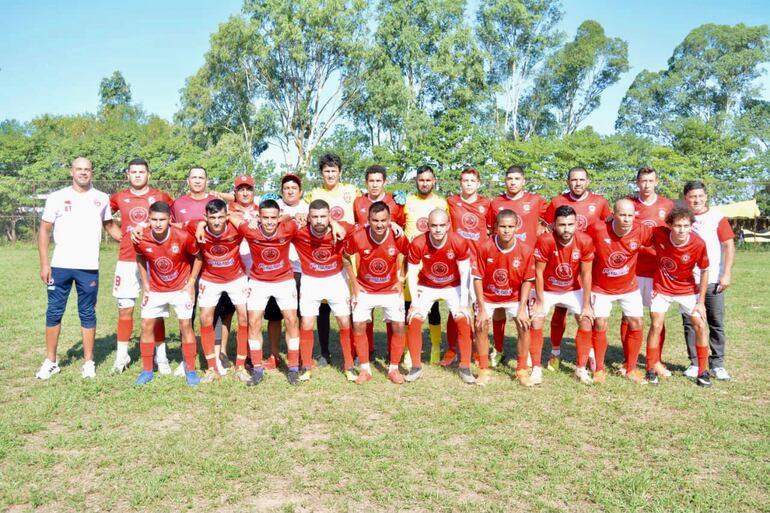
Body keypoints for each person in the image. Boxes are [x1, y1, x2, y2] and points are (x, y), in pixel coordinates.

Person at [36, 157, 121, 380]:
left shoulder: (101, 198)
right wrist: (45, 263)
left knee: (87, 313)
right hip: (60, 266)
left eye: (87, 170)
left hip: (88, 267)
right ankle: (51, 361)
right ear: (71, 171)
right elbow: (44, 231)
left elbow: (111, 227)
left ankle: (89, 363)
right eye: (79, 169)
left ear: (92, 172)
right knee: (54, 312)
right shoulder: (57, 197)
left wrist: (135, 238)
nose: (83, 173)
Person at [109, 158, 174, 374]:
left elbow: (173, 220)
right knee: (125, 309)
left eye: (141, 172)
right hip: (127, 260)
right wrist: (117, 234)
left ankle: (161, 357)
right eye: (133, 172)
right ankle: (122, 356)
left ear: (148, 174)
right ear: (128, 175)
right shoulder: (119, 197)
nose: (137, 175)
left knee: (155, 311)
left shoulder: (160, 196)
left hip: (154, 260)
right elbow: (105, 217)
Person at [543, 166, 611, 371]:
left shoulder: (600, 202)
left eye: (582, 180)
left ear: (588, 182)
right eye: (574, 180)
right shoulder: (557, 202)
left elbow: (607, 228)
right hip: (562, 264)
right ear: (568, 182)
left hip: (588, 263)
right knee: (559, 311)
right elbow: (547, 228)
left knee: (584, 313)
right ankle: (555, 352)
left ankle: (588, 353)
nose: (578, 183)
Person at [231, 199, 302, 385]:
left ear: (279, 218)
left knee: (292, 320)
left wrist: (294, 214)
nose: (269, 222)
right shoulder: (249, 229)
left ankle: (293, 368)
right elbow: (231, 216)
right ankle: (257, 368)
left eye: (273, 218)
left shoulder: (289, 228)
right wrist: (200, 225)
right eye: (265, 218)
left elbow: (306, 218)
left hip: (284, 280)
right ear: (258, 217)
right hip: (258, 281)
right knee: (253, 322)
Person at [133, 201, 202, 386]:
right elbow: (139, 255)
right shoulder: (142, 237)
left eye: (162, 220)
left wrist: (192, 283)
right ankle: (147, 371)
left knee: (186, 325)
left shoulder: (183, 236)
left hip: (180, 287)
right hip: (155, 289)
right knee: (146, 324)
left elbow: (198, 257)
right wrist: (145, 280)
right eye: (154, 219)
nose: (158, 224)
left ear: (169, 219)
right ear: (148, 219)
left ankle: (191, 370)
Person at [586, 198, 653, 384]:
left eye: (630, 215)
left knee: (637, 322)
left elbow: (661, 238)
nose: (626, 219)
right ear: (613, 215)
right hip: (601, 287)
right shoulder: (597, 229)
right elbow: (581, 241)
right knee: (600, 323)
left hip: (628, 286)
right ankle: (599, 368)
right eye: (622, 215)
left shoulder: (641, 230)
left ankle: (630, 368)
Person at [486, 165, 547, 366]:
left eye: (517, 178)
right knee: (499, 309)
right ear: (505, 180)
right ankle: (499, 348)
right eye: (509, 178)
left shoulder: (535, 200)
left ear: (524, 181)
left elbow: (555, 217)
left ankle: (527, 353)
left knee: (526, 309)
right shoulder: (495, 203)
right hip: (501, 263)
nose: (513, 182)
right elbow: (488, 228)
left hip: (526, 262)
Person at [645, 206, 712, 387]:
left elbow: (705, 271)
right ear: (669, 225)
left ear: (691, 226)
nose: (682, 230)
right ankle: (650, 368)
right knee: (656, 325)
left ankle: (702, 371)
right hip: (662, 288)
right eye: (677, 226)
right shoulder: (659, 234)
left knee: (699, 324)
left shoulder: (698, 244)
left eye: (686, 226)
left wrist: (701, 302)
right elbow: (638, 231)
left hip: (687, 290)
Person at [405, 209, 474, 384]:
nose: (437, 229)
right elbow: (412, 274)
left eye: (442, 225)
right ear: (428, 226)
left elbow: (465, 273)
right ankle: (415, 366)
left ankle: (465, 366)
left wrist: (465, 303)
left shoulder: (458, 241)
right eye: (434, 225)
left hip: (453, 285)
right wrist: (414, 302)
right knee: (414, 319)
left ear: (448, 226)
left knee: (463, 319)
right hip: (427, 285)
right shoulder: (419, 243)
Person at [344, 201, 409, 384]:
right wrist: (354, 283)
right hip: (365, 289)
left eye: (383, 220)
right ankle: (365, 369)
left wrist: (401, 278)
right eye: (375, 220)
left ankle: (393, 369)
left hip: (390, 289)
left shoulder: (398, 237)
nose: (379, 224)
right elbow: (345, 256)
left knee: (398, 326)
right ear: (368, 220)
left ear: (390, 220)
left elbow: (409, 256)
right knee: (358, 326)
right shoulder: (358, 236)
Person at [305, 154, 360, 366]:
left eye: (333, 171)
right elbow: (307, 216)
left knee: (352, 304)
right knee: (324, 306)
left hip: (348, 254)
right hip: (324, 255)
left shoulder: (351, 191)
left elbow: (362, 214)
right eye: (326, 171)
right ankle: (325, 352)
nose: (330, 174)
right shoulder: (315, 194)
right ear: (321, 173)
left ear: (340, 172)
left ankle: (355, 352)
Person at [531, 206, 595, 385]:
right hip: (548, 289)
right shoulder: (545, 240)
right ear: (554, 225)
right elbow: (538, 273)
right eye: (562, 225)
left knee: (586, 319)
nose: (566, 229)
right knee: (536, 319)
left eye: (570, 224)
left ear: (576, 224)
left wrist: (587, 304)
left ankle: (580, 369)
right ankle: (536, 368)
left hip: (573, 289)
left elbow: (586, 274)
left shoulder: (585, 240)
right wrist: (540, 303)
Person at [293, 199, 355, 382]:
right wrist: (295, 215)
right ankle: (306, 365)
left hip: (336, 279)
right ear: (308, 218)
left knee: (344, 321)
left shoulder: (342, 228)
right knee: (306, 323)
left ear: (330, 216)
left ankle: (349, 365)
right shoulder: (299, 231)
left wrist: (335, 224)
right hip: (311, 280)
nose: (319, 221)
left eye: (323, 216)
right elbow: (279, 221)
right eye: (315, 217)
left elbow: (367, 227)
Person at [473, 210, 536, 387]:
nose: (506, 230)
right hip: (488, 295)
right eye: (502, 226)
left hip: (514, 296)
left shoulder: (525, 249)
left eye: (510, 226)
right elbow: (477, 277)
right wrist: (482, 308)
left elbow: (527, 280)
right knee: (480, 324)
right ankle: (484, 369)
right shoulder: (485, 247)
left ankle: (522, 370)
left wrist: (522, 308)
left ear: (517, 227)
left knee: (524, 325)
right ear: (495, 228)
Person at [190, 200, 250, 384]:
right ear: (205, 217)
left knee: (243, 317)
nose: (216, 222)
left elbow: (252, 225)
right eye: (212, 217)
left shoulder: (236, 227)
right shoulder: (195, 225)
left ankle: (240, 366)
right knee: (205, 318)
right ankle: (211, 368)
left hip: (236, 277)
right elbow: (172, 224)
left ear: (226, 216)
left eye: (220, 217)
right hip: (210, 278)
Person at [681, 180, 735, 381]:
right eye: (692, 196)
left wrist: (726, 273)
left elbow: (728, 245)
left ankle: (718, 364)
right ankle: (695, 362)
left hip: (712, 278)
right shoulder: (682, 217)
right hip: (688, 281)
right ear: (686, 198)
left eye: (700, 196)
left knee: (715, 321)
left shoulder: (717, 217)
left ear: (706, 196)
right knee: (690, 322)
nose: (697, 200)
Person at [352, 165, 405, 358]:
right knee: (366, 311)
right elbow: (356, 227)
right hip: (364, 260)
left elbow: (402, 228)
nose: (374, 184)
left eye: (378, 181)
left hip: (389, 260)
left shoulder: (395, 200)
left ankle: (393, 351)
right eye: (371, 181)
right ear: (366, 182)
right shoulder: (359, 202)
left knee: (392, 314)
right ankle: (368, 350)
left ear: (385, 182)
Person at [627, 166, 674, 375]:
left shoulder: (667, 205)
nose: (646, 185)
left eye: (650, 181)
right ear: (637, 182)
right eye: (643, 181)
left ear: (657, 182)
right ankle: (629, 359)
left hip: (658, 272)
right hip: (634, 269)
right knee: (630, 317)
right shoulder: (629, 204)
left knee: (657, 318)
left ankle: (656, 360)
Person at [444, 168, 490, 366]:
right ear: (460, 183)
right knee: (455, 307)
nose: (469, 183)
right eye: (465, 180)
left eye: (472, 180)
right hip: (457, 262)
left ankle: (479, 352)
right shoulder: (451, 202)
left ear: (478, 183)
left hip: (478, 264)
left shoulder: (487, 204)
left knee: (478, 307)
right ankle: (452, 350)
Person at [403, 166, 448, 365]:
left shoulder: (441, 203)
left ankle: (436, 347)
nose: (425, 183)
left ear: (434, 181)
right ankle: (407, 349)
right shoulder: (406, 201)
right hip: (411, 261)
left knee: (433, 308)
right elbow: (396, 224)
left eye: (428, 180)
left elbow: (447, 231)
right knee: (409, 306)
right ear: (416, 181)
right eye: (421, 180)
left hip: (431, 261)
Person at [264, 174, 308, 370]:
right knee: (274, 316)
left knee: (295, 315)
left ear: (300, 191)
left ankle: (296, 354)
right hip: (276, 269)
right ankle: (274, 355)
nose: (290, 191)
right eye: (286, 188)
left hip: (300, 269)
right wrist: (289, 216)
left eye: (294, 188)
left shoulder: (308, 207)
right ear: (282, 191)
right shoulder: (276, 207)